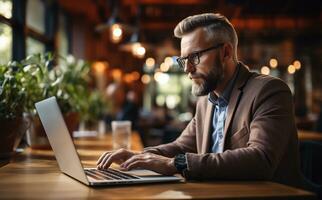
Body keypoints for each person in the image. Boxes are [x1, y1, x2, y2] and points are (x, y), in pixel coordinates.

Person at [97, 13, 305, 189]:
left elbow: (261, 160)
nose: (187, 69)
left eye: (195, 57)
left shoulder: (269, 91)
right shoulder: (206, 101)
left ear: (225, 52)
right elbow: (181, 146)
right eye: (183, 60)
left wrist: (175, 164)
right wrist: (137, 156)